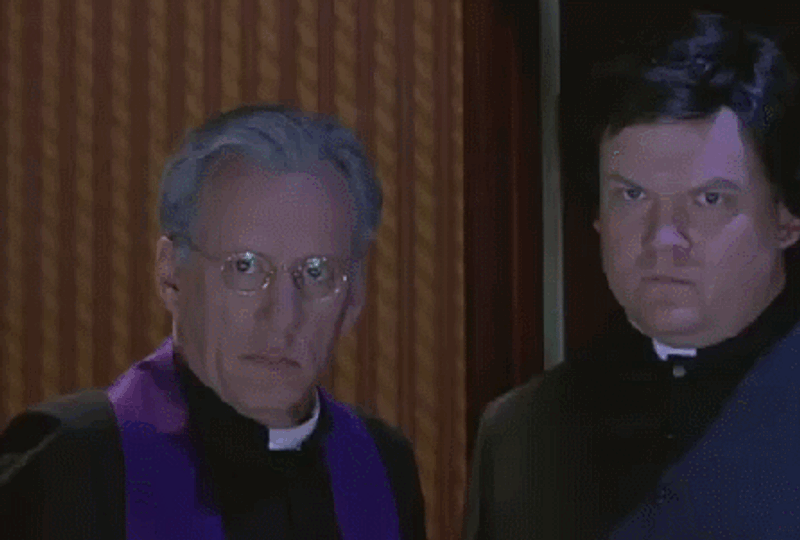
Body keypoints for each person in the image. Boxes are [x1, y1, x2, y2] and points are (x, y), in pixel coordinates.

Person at [0, 104, 427, 540]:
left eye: (317, 272)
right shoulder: (73, 464)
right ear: (170, 276)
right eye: (245, 267)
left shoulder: (383, 468)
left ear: (354, 298)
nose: (283, 317)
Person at [463, 12, 800, 540]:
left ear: (786, 219)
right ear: (598, 215)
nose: (662, 238)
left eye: (710, 199)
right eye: (632, 195)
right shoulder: (522, 435)